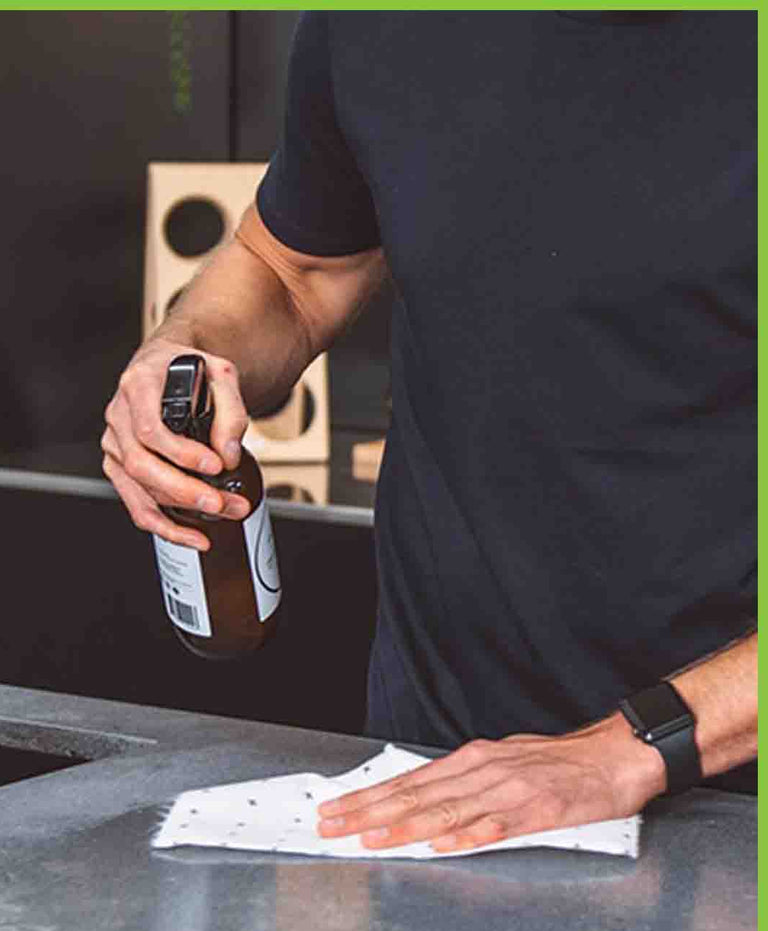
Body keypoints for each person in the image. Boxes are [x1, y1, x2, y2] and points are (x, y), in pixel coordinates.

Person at [101, 10, 756, 851]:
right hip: (438, 770)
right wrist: (183, 351)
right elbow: (295, 268)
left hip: (730, 797)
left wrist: (629, 749)